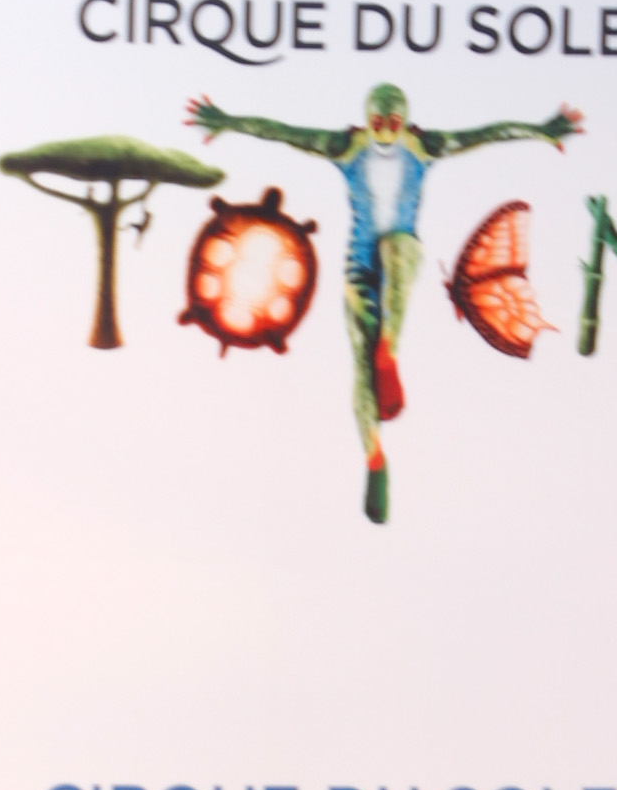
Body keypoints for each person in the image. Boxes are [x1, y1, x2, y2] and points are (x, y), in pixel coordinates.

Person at [186, 79, 581, 516]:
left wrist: (542, 129)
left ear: (405, 121)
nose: (387, 132)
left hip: (402, 254)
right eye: (379, 123)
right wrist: (227, 121)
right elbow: (282, 131)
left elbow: (487, 134)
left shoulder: (426, 146)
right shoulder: (345, 146)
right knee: (360, 360)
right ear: (367, 120)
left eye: (394, 123)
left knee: (397, 249)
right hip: (359, 266)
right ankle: (373, 456)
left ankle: (389, 348)